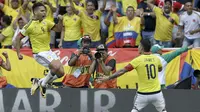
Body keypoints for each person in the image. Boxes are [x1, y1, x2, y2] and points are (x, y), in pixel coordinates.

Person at [97, 39, 167, 112]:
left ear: (142, 48)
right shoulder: (156, 59)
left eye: (139, 46)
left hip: (143, 94)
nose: (138, 48)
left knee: (135, 110)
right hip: (157, 93)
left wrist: (108, 77)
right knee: (163, 111)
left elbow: (122, 71)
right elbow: (159, 69)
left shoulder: (138, 60)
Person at [15, 2, 64, 98]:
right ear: (35, 12)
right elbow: (18, 38)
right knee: (56, 67)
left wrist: (61, 21)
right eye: (42, 11)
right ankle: (43, 84)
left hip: (49, 52)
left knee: (61, 73)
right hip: (39, 53)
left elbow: (58, 29)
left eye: (45, 11)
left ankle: (40, 81)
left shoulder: (47, 22)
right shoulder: (30, 25)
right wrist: (18, 53)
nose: (44, 12)